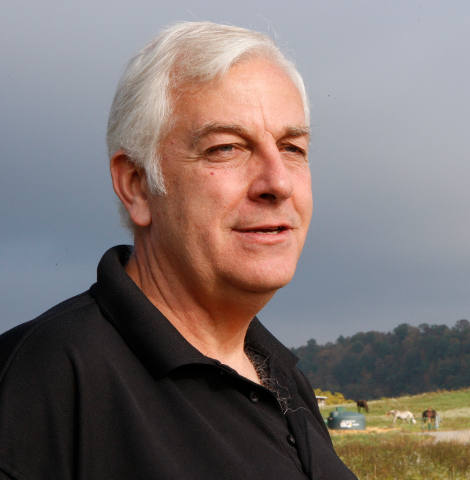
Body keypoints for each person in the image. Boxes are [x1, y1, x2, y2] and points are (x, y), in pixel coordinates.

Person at [0, 22, 357, 480]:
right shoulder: (47, 379)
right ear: (137, 186)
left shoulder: (281, 378)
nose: (278, 183)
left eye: (292, 147)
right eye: (226, 147)